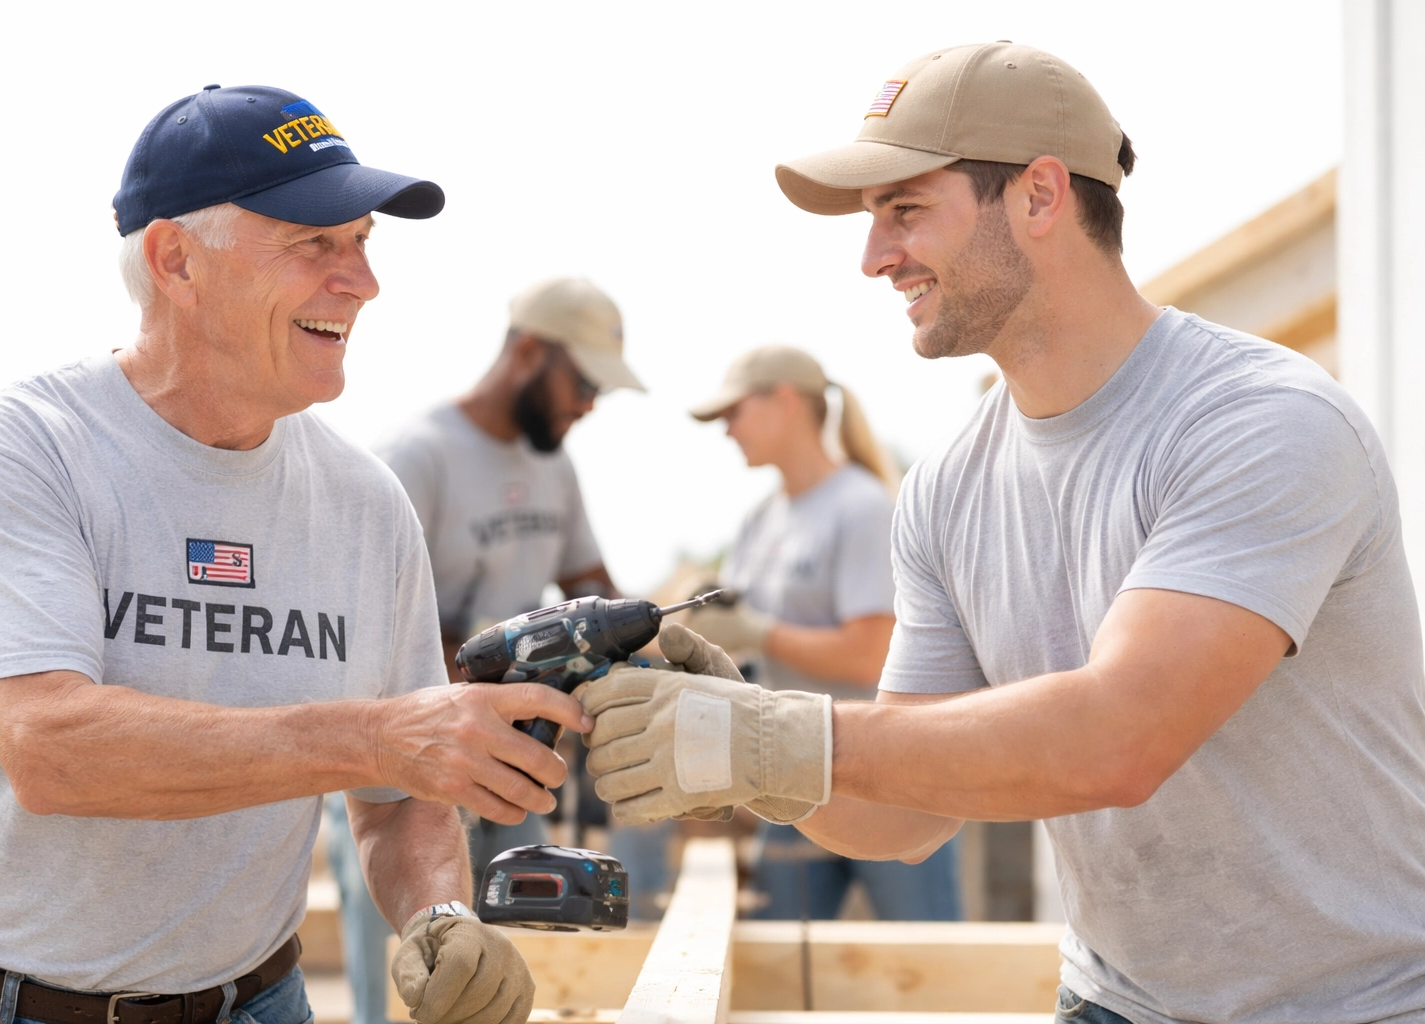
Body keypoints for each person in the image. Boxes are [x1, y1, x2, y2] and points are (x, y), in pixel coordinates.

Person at [578, 42, 1425, 1024]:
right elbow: (902, 814)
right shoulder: (948, 488)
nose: (873, 257)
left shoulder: (1262, 422)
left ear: (1038, 196)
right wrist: (739, 746)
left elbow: (1123, 737)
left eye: (905, 211)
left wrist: (777, 734)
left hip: (1358, 1004)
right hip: (1116, 999)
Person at [0, 84, 591, 1024]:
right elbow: (51, 749)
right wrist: (374, 734)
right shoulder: (25, 446)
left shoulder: (366, 504)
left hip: (255, 999)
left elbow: (399, 800)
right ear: (175, 259)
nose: (362, 282)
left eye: (363, 243)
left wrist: (441, 916)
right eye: (314, 244)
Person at [325, 277, 641, 1024]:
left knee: (499, 981)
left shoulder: (552, 466)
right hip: (399, 776)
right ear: (529, 350)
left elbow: (593, 587)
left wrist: (647, 648)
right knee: (409, 984)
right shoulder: (417, 457)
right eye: (584, 381)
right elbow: (365, 632)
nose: (589, 404)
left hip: (510, 765)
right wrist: (502, 668)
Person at [684, 345, 960, 921]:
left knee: (923, 965)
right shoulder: (760, 520)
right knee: (781, 978)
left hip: (886, 783)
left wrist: (758, 630)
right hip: (795, 779)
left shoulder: (860, 508)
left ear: (784, 400)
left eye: (734, 412)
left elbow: (870, 655)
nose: (727, 430)